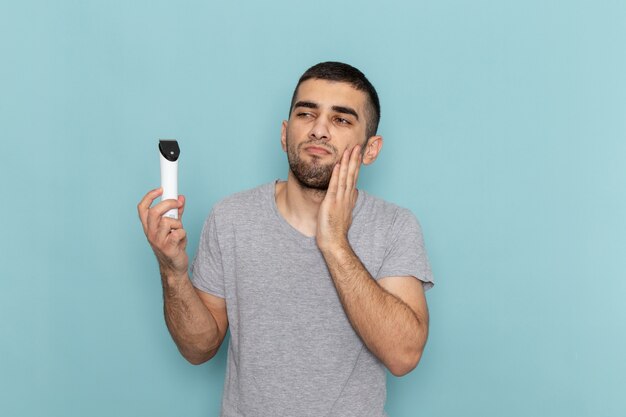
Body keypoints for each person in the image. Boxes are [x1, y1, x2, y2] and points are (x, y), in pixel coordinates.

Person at [138, 62, 434, 416]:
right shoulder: (231, 218)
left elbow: (404, 356)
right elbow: (198, 349)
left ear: (370, 150)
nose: (319, 130)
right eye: (306, 114)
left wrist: (335, 243)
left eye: (341, 119)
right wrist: (172, 272)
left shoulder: (394, 226)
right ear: (284, 134)